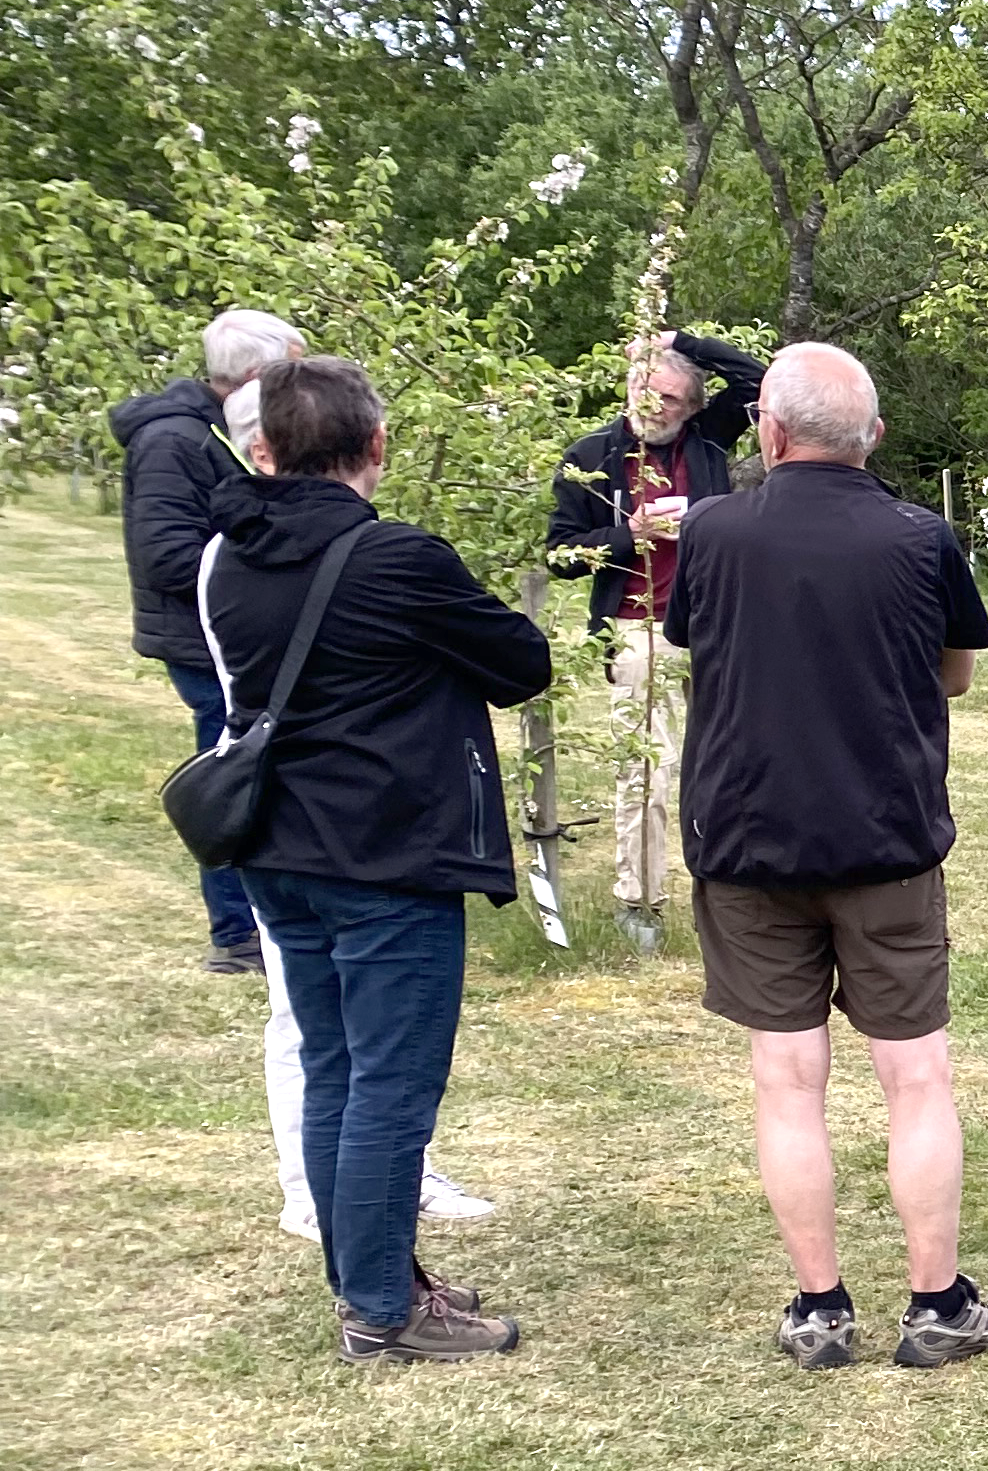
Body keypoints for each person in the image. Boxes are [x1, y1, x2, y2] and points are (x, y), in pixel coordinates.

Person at [667, 342, 988, 1372]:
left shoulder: (714, 530)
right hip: (885, 839)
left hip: (746, 840)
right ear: (869, 437)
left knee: (787, 1079)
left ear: (768, 432)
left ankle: (820, 1307)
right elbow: (956, 672)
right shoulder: (920, 537)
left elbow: (697, 641)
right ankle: (936, 1304)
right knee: (916, 1075)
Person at [198, 358, 551, 1364]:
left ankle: (372, 1275)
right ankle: (382, 1307)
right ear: (376, 447)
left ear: (267, 448)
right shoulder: (396, 558)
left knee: (335, 1069)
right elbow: (522, 661)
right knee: (391, 1083)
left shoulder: (227, 552)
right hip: (385, 849)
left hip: (275, 845)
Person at [545, 330, 767, 953]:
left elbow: (758, 380)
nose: (654, 405)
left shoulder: (706, 443)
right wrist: (629, 535)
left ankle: (733, 892)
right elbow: (561, 555)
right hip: (637, 626)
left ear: (693, 407)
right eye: (644, 388)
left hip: (717, 624)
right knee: (646, 766)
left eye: (670, 397)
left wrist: (681, 341)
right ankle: (639, 901)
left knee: (733, 759)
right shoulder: (591, 457)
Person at [116, 306, 303, 975]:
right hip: (205, 639)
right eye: (290, 371)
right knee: (232, 776)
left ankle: (256, 917)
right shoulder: (174, 440)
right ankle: (235, 932)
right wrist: (267, 561)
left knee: (253, 768)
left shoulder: (215, 433)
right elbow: (166, 556)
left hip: (229, 630)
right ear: (256, 375)